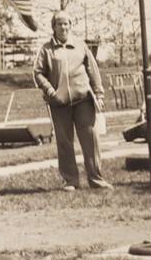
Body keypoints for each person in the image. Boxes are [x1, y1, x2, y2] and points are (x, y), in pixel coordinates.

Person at [33, 11, 112, 191]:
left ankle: (96, 179)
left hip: (83, 100)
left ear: (71, 25)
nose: (63, 27)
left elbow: (93, 72)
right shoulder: (46, 49)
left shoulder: (80, 46)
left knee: (90, 140)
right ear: (54, 27)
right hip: (59, 104)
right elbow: (37, 73)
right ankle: (70, 181)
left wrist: (99, 95)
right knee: (65, 142)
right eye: (59, 24)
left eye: (66, 24)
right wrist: (50, 91)